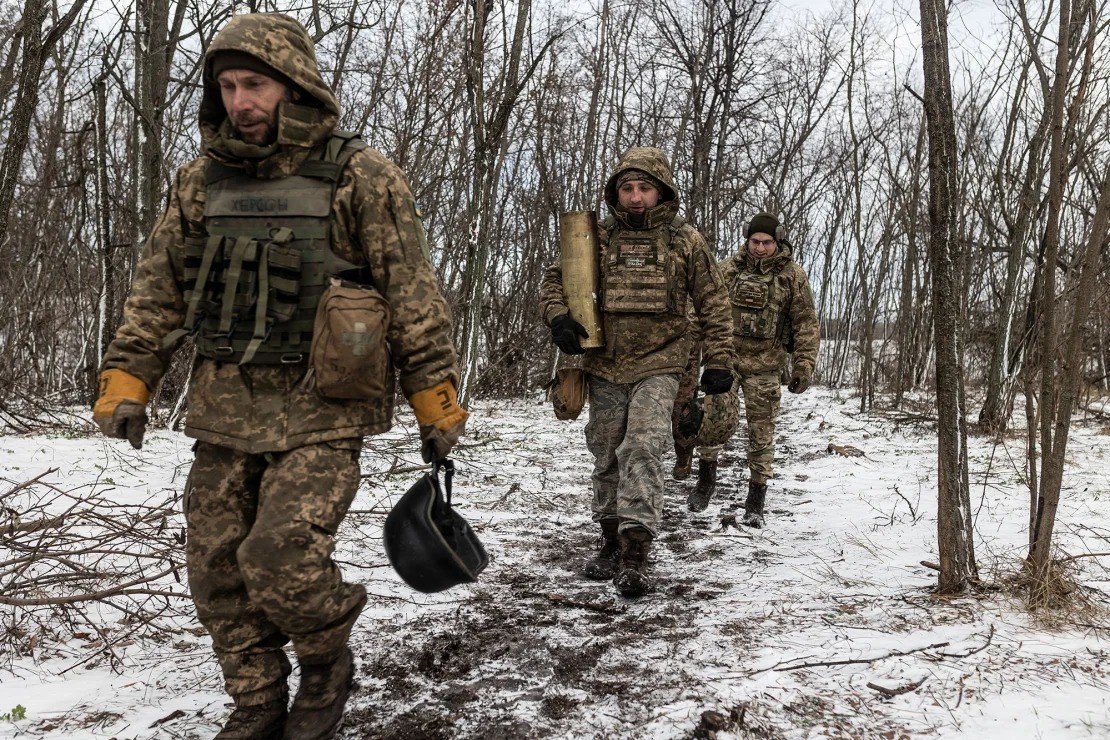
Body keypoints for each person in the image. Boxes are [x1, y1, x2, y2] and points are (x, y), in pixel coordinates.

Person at [92, 13, 466, 740]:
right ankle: (257, 698)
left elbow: (412, 292)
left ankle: (328, 660)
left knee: (279, 555)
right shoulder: (201, 181)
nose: (241, 101)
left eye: (255, 83)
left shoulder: (362, 174)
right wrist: (129, 375)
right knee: (216, 567)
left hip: (324, 406)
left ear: (293, 84)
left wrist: (435, 397)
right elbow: (160, 289)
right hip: (226, 406)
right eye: (227, 86)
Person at [539, 147, 735, 597]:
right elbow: (555, 281)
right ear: (616, 192)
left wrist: (719, 360)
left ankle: (635, 550)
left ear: (661, 190)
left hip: (662, 362)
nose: (635, 197)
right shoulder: (596, 236)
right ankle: (608, 538)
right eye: (627, 188)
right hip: (605, 362)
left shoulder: (685, 240)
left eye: (644, 188)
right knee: (606, 450)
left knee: (643, 446)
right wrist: (558, 318)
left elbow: (714, 303)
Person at [691, 212, 819, 525]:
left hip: (766, 367)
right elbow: (703, 310)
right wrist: (686, 348)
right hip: (726, 362)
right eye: (755, 241)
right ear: (747, 239)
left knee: (761, 435)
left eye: (767, 242)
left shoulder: (792, 277)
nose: (760, 248)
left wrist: (803, 364)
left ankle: (755, 499)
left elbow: (805, 324)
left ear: (778, 242)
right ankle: (705, 482)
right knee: (712, 421)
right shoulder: (729, 270)